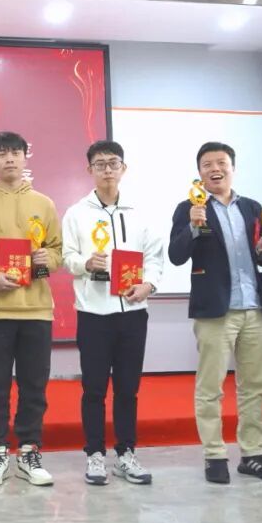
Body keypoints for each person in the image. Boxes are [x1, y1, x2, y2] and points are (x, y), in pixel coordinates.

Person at [168, 141, 262, 484]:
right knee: (211, 387)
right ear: (199, 172)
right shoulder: (189, 207)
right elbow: (176, 255)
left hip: (253, 307)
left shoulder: (252, 208)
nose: (215, 169)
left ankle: (253, 455)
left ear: (232, 168)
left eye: (221, 162)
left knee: (255, 386)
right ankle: (215, 454)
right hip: (215, 310)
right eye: (207, 164)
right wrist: (192, 226)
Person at [0, 131, 62, 488]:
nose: (10, 159)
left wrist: (46, 258)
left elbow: (57, 250)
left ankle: (29, 452)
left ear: (25, 157)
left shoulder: (43, 203)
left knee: (34, 386)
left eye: (16, 152)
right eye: (2, 153)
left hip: (36, 309)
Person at [61, 140, 163, 486]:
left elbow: (155, 257)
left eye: (113, 163)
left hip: (133, 310)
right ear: (89, 170)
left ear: (123, 168)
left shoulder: (140, 211)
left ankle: (126, 453)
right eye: (100, 164)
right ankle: (94, 454)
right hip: (93, 312)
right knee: (93, 388)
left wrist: (149, 285)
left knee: (127, 388)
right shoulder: (76, 213)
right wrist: (85, 263)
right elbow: (67, 257)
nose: (107, 169)